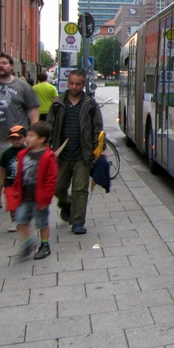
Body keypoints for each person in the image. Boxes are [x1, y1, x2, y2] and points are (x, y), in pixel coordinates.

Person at [47, 69, 103, 235]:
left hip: (82, 155)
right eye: (71, 83)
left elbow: (98, 128)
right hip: (61, 155)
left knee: (80, 189)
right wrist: (47, 146)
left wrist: (99, 149)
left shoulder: (90, 104)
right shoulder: (57, 104)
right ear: (67, 83)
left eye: (78, 84)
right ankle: (67, 204)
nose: (74, 87)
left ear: (83, 85)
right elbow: (49, 126)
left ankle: (78, 221)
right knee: (57, 188)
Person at [0, 52, 40, 211]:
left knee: (19, 170)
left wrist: (34, 132)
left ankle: (21, 198)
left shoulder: (22, 86)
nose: (1, 66)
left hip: (17, 136)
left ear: (11, 66)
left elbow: (33, 109)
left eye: (4, 63)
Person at [4, 121, 58, 260]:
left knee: (42, 223)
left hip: (39, 198)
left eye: (31, 136)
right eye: (27, 135)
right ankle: (28, 243)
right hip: (24, 197)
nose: (27, 138)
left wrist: (46, 198)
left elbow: (51, 179)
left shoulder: (47, 156)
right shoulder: (23, 154)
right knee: (20, 220)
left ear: (41, 139)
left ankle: (44, 245)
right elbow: (19, 175)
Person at [0, 125, 27, 232]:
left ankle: (24, 218)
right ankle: (15, 221)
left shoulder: (28, 151)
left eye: (19, 138)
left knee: (24, 202)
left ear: (25, 138)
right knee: (12, 203)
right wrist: (3, 180)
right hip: (10, 182)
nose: (16, 141)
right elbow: (3, 167)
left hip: (25, 182)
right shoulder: (6, 153)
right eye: (13, 138)